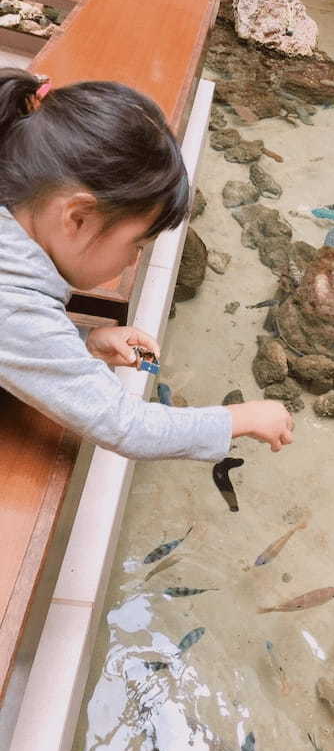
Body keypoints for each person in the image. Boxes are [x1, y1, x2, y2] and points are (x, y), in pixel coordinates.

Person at [0, 68, 293, 460]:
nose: (135, 258)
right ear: (77, 218)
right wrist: (240, 418)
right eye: (137, 244)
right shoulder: (13, 305)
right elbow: (128, 427)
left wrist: (80, 345)